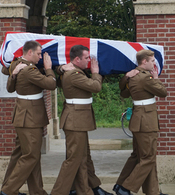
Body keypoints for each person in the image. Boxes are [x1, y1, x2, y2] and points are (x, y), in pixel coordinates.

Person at [50, 45, 112, 195]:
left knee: (83, 157)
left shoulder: (73, 71)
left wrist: (60, 69)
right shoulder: (74, 74)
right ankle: (58, 192)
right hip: (75, 120)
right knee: (74, 159)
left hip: (78, 120)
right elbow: (96, 86)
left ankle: (86, 189)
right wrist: (96, 73)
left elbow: (60, 70)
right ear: (77, 59)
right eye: (86, 58)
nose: (89, 61)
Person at [0, 40, 56, 195]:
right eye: (38, 53)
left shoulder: (18, 65)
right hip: (30, 118)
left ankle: (36, 191)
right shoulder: (29, 70)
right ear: (29, 52)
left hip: (24, 116)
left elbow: (10, 88)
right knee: (31, 156)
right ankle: (8, 190)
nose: (40, 57)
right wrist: (49, 69)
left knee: (23, 154)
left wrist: (14, 72)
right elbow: (51, 84)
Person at [113, 49, 167, 195]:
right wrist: (156, 78)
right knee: (148, 157)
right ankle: (126, 188)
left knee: (138, 156)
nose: (154, 63)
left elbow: (123, 92)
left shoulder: (132, 76)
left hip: (138, 120)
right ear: (144, 61)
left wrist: (125, 77)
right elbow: (163, 92)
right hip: (146, 122)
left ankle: (148, 190)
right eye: (152, 60)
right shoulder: (145, 78)